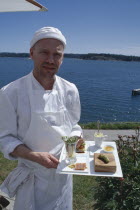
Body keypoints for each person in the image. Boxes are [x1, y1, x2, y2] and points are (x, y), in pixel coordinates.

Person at [0, 27, 83, 210]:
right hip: (32, 179)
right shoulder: (10, 93)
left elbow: (74, 126)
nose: (50, 60)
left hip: (63, 177)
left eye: (57, 54)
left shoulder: (70, 90)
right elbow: (5, 138)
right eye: (44, 52)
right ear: (31, 53)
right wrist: (34, 156)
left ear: (62, 58)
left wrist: (76, 140)